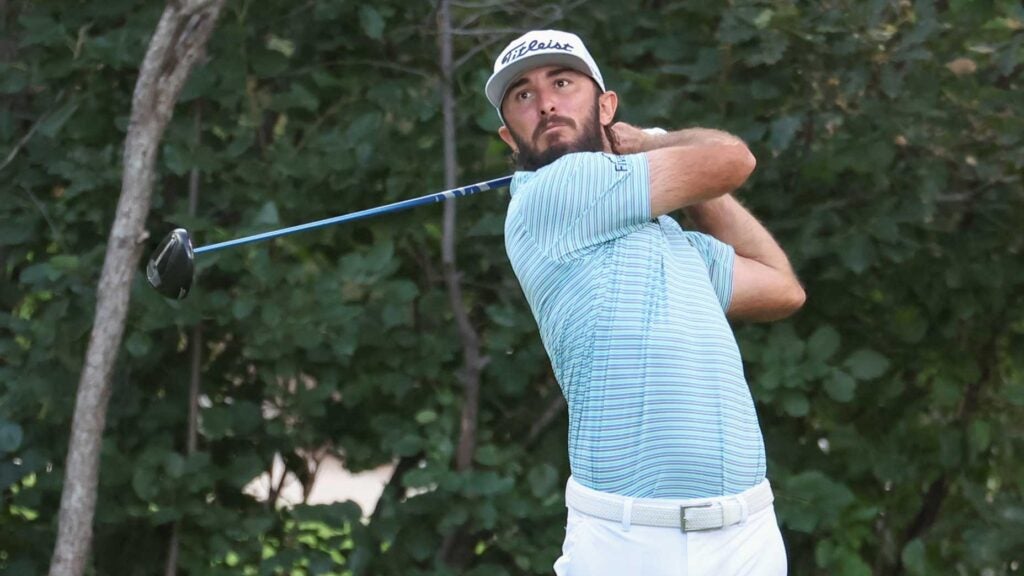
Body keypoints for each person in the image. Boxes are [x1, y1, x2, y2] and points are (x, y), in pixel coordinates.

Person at [484, 30, 806, 575]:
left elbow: (782, 289)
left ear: (606, 107)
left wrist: (663, 164)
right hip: (631, 543)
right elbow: (733, 159)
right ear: (509, 139)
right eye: (523, 95)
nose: (546, 103)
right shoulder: (555, 194)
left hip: (746, 535)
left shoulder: (667, 238)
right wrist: (653, 141)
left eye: (562, 82)